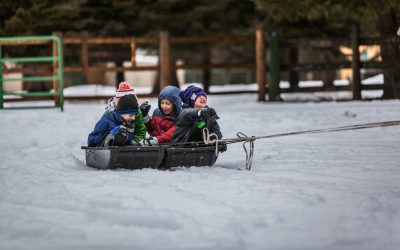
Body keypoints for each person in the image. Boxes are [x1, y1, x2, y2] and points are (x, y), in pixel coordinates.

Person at [172, 85, 226, 152]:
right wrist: (199, 112)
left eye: (203, 96)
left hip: (201, 148)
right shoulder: (184, 113)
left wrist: (218, 141)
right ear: (191, 100)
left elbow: (216, 130)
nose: (202, 97)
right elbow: (188, 113)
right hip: (181, 148)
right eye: (198, 96)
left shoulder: (208, 114)